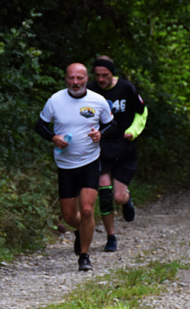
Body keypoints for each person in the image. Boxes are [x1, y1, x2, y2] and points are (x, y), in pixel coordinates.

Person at [35, 63, 115, 271]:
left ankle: (84, 256)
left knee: (87, 209)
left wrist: (101, 134)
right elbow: (40, 125)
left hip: (89, 161)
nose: (75, 82)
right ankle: (81, 230)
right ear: (65, 79)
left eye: (79, 78)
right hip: (65, 165)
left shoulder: (98, 101)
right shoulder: (55, 100)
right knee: (69, 215)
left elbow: (111, 124)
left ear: (87, 79)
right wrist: (53, 137)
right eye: (71, 78)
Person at [87, 56, 147, 252]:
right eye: (98, 76)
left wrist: (133, 131)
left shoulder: (126, 88)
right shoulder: (91, 91)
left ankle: (126, 200)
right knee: (104, 194)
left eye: (105, 75)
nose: (101, 80)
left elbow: (142, 112)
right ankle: (110, 236)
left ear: (113, 73)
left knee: (118, 197)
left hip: (124, 147)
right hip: (101, 148)